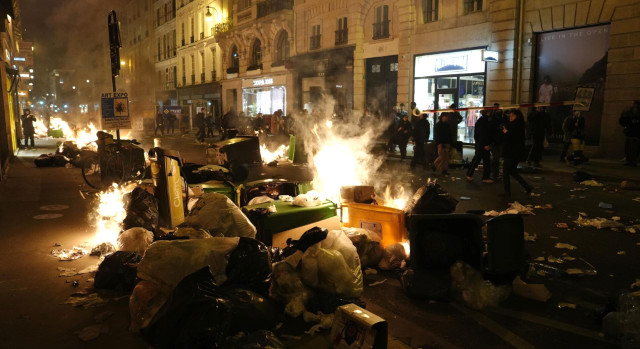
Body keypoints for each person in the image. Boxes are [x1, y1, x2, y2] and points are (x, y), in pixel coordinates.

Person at [501, 109, 534, 202]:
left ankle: (507, 193)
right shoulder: (517, 124)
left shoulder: (516, 126)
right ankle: (527, 186)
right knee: (512, 172)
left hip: (511, 152)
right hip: (514, 153)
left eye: (512, 116)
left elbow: (511, 138)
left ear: (517, 117)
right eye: (510, 116)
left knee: (506, 173)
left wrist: (505, 132)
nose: (510, 117)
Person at [466, 109, 493, 183]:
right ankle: (472, 174)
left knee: (483, 160)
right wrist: (485, 144)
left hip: (481, 143)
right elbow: (483, 134)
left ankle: (482, 176)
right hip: (482, 144)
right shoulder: (484, 121)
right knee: (479, 159)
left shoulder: (482, 120)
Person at [618, 100, 640, 166]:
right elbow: (623, 121)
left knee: (633, 148)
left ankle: (632, 161)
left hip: (636, 134)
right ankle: (630, 160)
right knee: (629, 148)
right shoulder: (629, 112)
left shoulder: (635, 112)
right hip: (631, 133)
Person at [488, 104, 505, 181]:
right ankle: (493, 172)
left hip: (500, 141)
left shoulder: (502, 119)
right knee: (496, 157)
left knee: (497, 158)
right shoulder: (492, 119)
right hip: (493, 141)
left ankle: (496, 173)